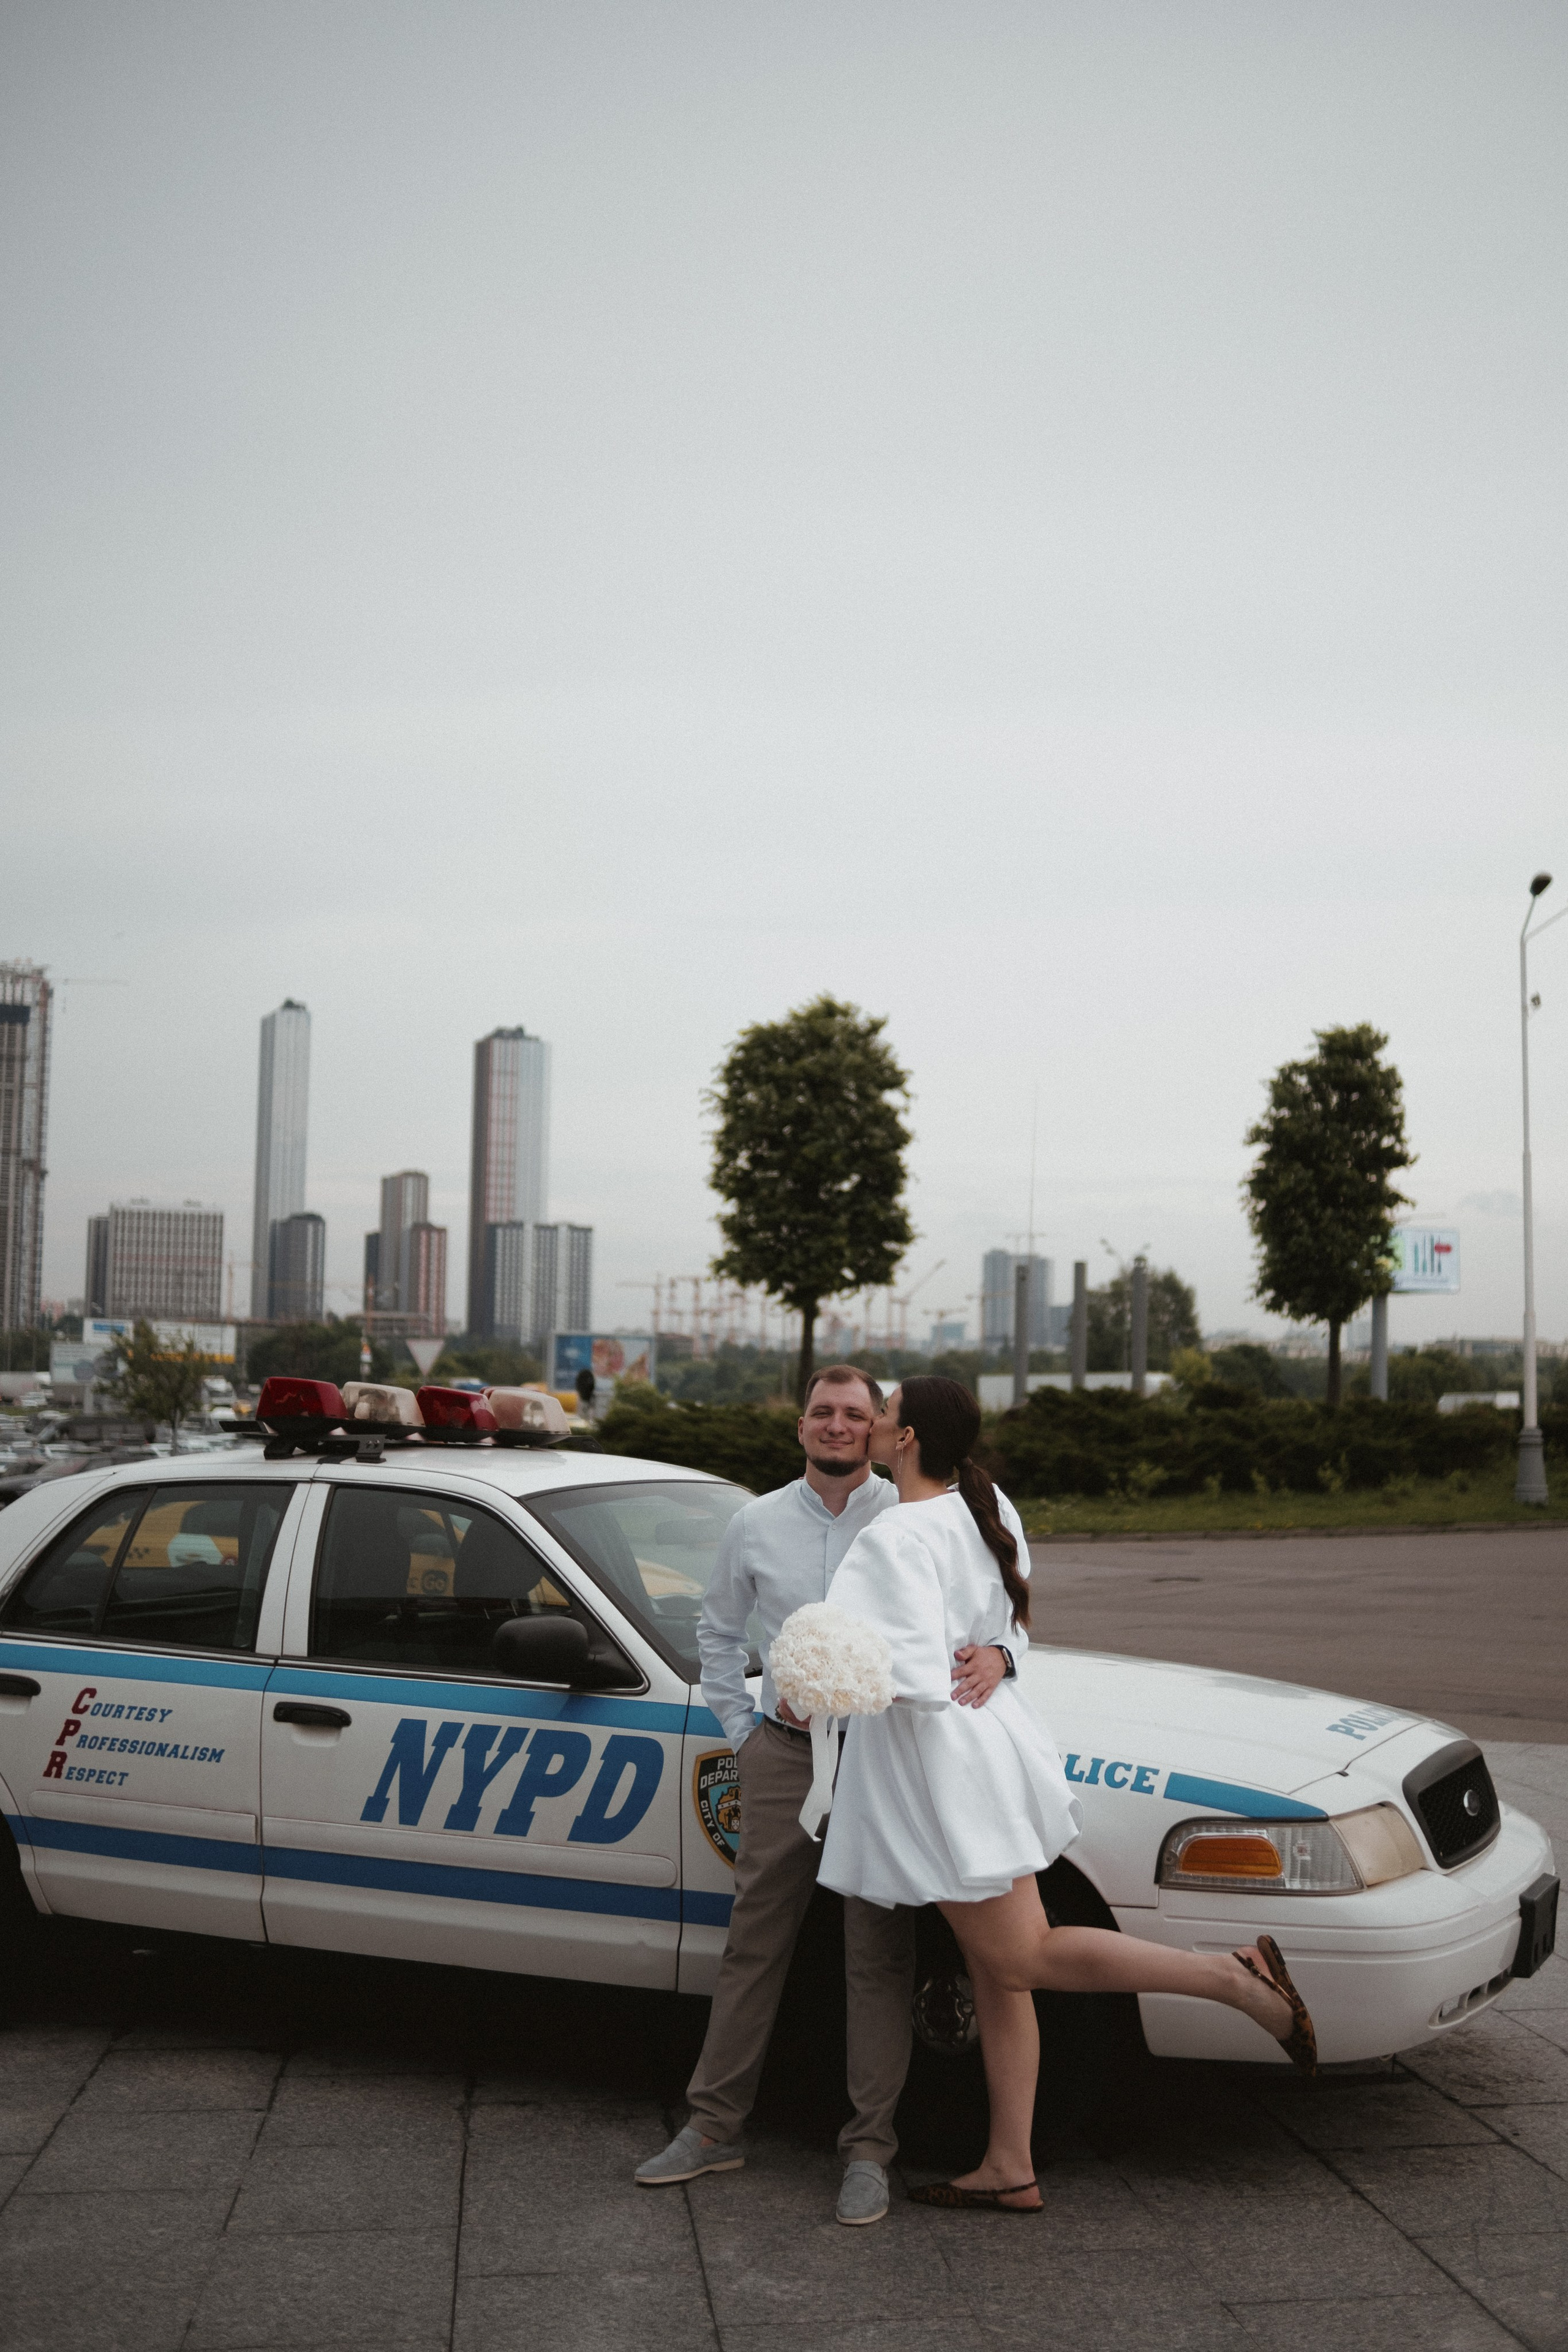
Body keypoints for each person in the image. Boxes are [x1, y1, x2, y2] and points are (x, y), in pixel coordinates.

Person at [817, 1376, 1318, 2214]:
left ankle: (1234, 1980)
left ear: (905, 1441)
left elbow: (902, 1675)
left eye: (884, 1412)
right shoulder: (985, 1502)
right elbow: (1008, 1627)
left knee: (1021, 1955)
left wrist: (818, 1679)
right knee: (997, 1971)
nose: (867, 1421)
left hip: (938, 1767)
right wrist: (1001, 1657)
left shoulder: (892, 1534)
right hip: (988, 1744)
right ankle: (1010, 2162)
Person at [636, 1363, 1023, 2228]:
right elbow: (717, 1630)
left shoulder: (916, 1515)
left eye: (857, 1414)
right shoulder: (755, 1523)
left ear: (884, 1432)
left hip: (882, 1758)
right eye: (824, 1412)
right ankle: (713, 2126)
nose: (841, 1426)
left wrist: (1004, 1655)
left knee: (877, 1952)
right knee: (754, 1941)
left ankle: (868, 2152)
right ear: (800, 1425)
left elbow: (990, 1610)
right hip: (783, 1756)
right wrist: (744, 1731)